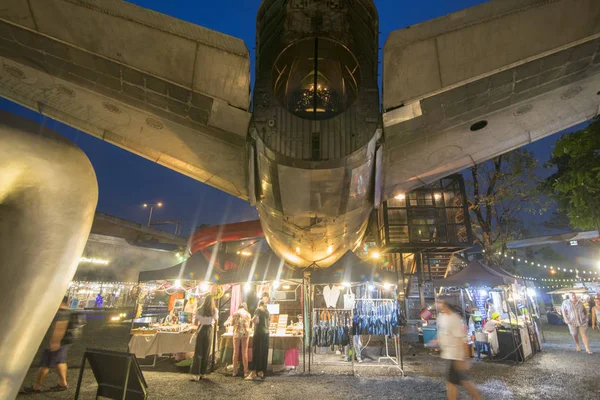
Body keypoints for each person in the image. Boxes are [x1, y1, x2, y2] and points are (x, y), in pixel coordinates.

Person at [430, 296, 481, 400]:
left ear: (445, 304)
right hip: (448, 354)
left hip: (456, 355)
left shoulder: (454, 319)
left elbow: (462, 340)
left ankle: (477, 398)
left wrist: (465, 358)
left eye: (439, 302)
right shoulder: (441, 316)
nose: (437, 304)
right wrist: (437, 341)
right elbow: (441, 331)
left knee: (462, 381)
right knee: (453, 381)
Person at [21, 296, 73, 393]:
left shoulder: (60, 313)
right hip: (64, 343)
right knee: (60, 362)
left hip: (56, 343)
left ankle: (36, 387)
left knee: (45, 364)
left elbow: (60, 327)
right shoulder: (68, 312)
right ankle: (63, 383)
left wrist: (55, 342)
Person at [190, 294, 218, 381]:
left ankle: (196, 373)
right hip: (209, 329)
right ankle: (203, 372)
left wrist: (202, 319)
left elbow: (195, 321)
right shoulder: (214, 310)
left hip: (201, 329)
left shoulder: (199, 309)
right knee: (206, 351)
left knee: (198, 351)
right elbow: (216, 320)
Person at [246, 295, 271, 380]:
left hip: (259, 333)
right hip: (266, 334)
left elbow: (256, 320)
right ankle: (261, 372)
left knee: (256, 352)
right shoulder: (267, 311)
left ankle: (253, 372)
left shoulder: (258, 309)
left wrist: (251, 320)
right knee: (263, 353)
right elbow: (269, 324)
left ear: (259, 304)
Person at [229, 302, 251, 377]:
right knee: (244, 352)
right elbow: (248, 324)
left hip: (236, 333)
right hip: (245, 333)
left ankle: (234, 371)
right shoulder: (248, 314)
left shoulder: (235, 313)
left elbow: (231, 324)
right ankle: (245, 371)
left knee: (235, 352)